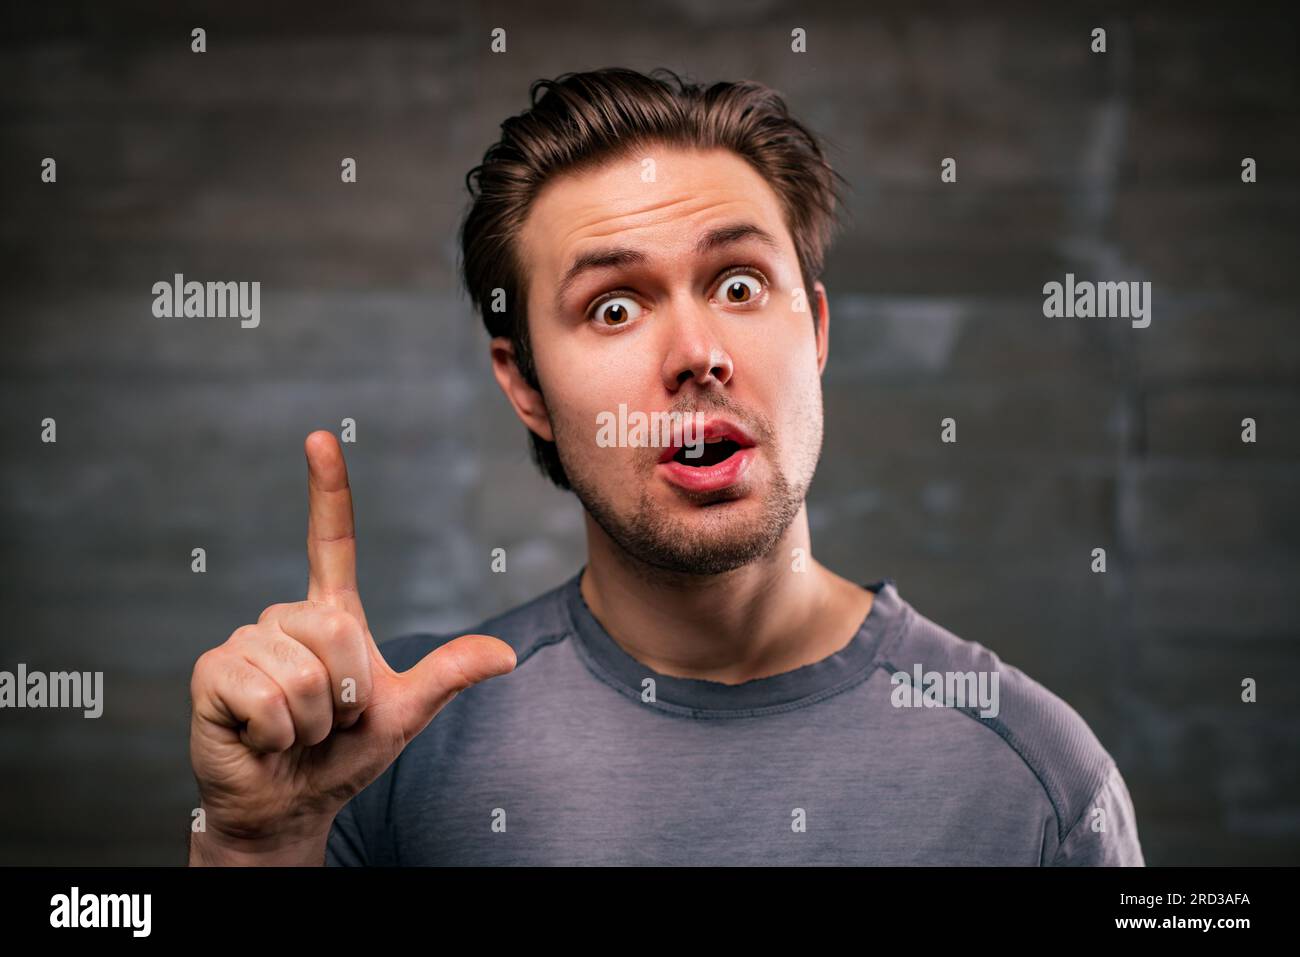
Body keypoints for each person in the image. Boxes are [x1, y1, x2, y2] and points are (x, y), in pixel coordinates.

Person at [188, 67, 1143, 866]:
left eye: (737, 284)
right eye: (613, 306)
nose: (696, 349)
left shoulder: (1037, 784)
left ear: (812, 329)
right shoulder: (379, 764)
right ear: (525, 386)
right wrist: (253, 846)